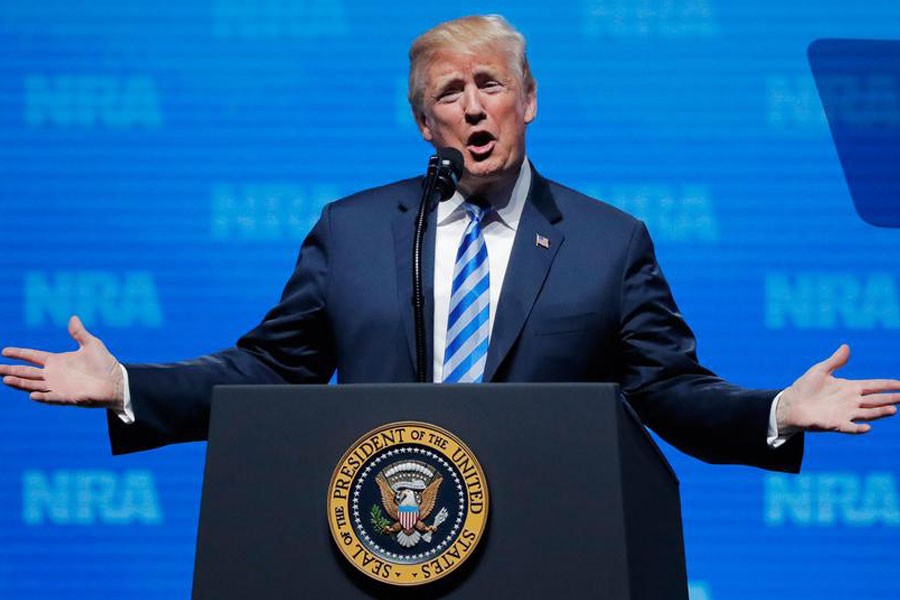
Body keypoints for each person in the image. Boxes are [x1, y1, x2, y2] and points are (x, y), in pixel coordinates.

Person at [2, 15, 898, 469]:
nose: (473, 105)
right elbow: (270, 372)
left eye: (489, 84)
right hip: (375, 536)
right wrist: (127, 385)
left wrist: (776, 410)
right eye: (448, 93)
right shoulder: (352, 231)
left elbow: (668, 390)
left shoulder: (607, 242)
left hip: (550, 547)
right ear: (423, 122)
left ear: (528, 99)